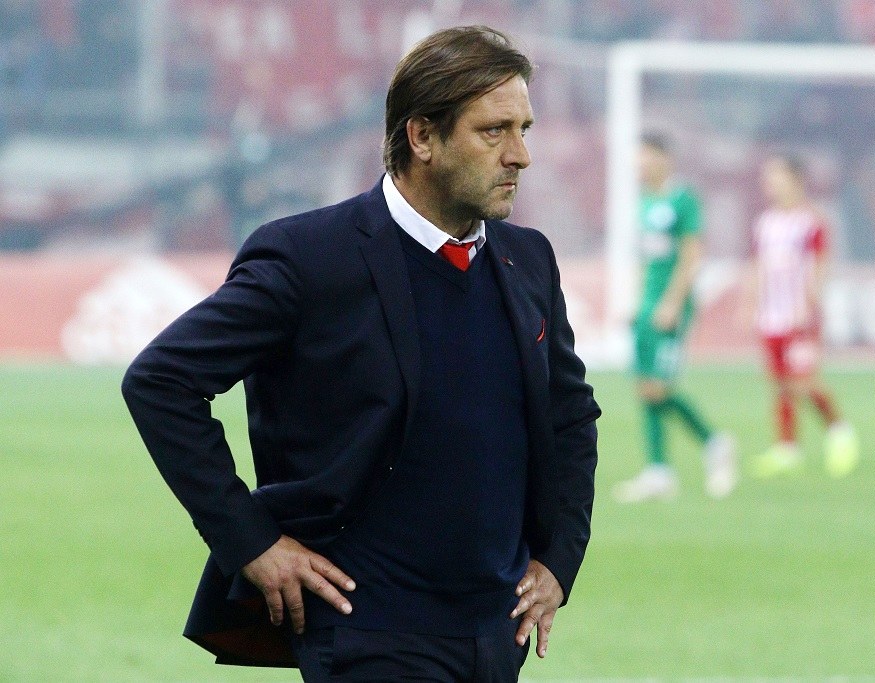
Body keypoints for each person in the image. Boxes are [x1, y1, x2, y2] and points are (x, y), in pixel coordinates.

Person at [121, 26, 600, 682]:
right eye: (494, 131)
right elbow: (161, 380)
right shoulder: (309, 257)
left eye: (524, 129)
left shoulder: (529, 260)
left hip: (495, 630)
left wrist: (559, 560)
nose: (520, 154)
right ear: (422, 136)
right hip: (366, 627)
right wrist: (252, 542)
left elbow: (570, 417)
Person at [613, 136, 736, 502]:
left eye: (645, 157)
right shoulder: (643, 202)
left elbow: (691, 255)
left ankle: (714, 442)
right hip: (647, 306)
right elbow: (644, 259)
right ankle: (658, 472)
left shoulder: (683, 199)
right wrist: (636, 302)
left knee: (660, 387)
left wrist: (672, 303)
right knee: (644, 386)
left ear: (664, 158)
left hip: (671, 306)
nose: (639, 165)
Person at [749, 153, 858, 478]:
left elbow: (820, 264)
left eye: (776, 176)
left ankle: (839, 430)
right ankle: (787, 449)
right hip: (771, 314)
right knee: (780, 382)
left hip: (800, 315)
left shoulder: (811, 221)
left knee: (804, 381)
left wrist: (809, 304)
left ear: (795, 180)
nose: (769, 183)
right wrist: (751, 302)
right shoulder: (765, 222)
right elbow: (758, 265)